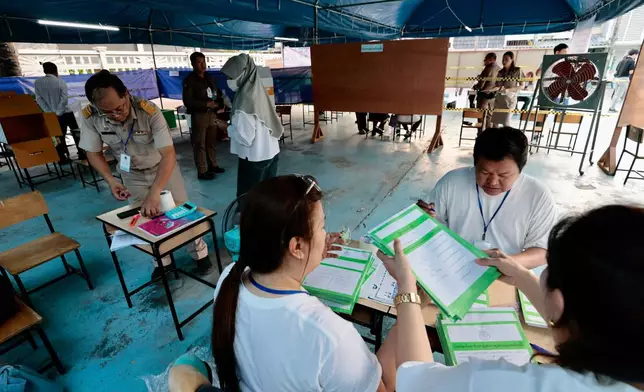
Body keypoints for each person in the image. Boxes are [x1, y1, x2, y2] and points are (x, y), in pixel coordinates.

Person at [381, 205, 644, 392]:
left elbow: (417, 379)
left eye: (548, 268)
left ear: (561, 301)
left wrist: (407, 289)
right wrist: (520, 274)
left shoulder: (502, 383)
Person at [209, 175, 399, 392]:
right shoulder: (330, 336)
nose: (325, 234)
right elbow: (383, 387)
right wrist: (408, 301)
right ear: (296, 246)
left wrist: (312, 254)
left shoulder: (229, 279)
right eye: (322, 227)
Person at [79, 70, 212, 278]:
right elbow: (92, 152)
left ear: (126, 94)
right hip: (130, 174)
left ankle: (199, 253)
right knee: (145, 219)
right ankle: (162, 261)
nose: (115, 114)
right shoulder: (90, 116)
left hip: (163, 169)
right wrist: (111, 180)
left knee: (181, 213)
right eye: (107, 112)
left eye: (119, 107)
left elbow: (168, 155)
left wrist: (155, 192)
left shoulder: (149, 112)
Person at [417, 127, 557, 268]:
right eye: (485, 172)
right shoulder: (451, 182)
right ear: (475, 163)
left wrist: (505, 263)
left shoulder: (537, 195)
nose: (493, 182)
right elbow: (430, 225)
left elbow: (542, 251)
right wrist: (424, 219)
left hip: (507, 273)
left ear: (520, 169)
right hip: (453, 266)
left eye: (503, 175)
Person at [221, 54, 281, 198]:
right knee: (267, 195)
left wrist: (226, 127)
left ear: (243, 74)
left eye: (231, 77)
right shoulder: (259, 92)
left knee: (248, 197)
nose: (228, 81)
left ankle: (247, 219)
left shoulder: (244, 101)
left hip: (255, 158)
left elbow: (245, 138)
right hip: (271, 153)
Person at [182, 52, 226, 180]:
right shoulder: (189, 81)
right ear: (193, 64)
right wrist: (205, 104)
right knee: (199, 143)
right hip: (199, 115)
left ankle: (213, 165)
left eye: (204, 61)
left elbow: (217, 93)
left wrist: (219, 103)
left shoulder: (209, 78)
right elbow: (188, 101)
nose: (203, 65)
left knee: (211, 142)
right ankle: (202, 170)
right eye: (199, 62)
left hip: (212, 114)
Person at [34, 62, 84, 162]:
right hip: (66, 112)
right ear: (56, 70)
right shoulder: (60, 81)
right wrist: (59, 111)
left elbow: (39, 99)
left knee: (58, 136)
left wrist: (50, 111)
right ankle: (82, 153)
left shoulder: (37, 82)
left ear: (44, 71)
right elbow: (64, 98)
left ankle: (63, 157)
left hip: (51, 114)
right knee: (76, 132)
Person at [492, 52, 522, 128]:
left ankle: (506, 139)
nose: (504, 61)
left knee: (506, 123)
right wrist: (494, 88)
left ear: (512, 60)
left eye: (506, 59)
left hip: (510, 100)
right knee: (495, 123)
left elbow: (522, 86)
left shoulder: (517, 71)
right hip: (499, 99)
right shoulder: (500, 72)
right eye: (503, 59)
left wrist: (509, 90)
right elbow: (497, 85)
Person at [473, 53, 500, 131]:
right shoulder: (499, 69)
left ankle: (481, 135)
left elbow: (481, 85)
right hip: (494, 96)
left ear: (491, 60)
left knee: (481, 117)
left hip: (483, 96)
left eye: (486, 59)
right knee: (489, 117)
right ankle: (489, 135)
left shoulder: (487, 69)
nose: (484, 61)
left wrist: (475, 86)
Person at [609, 49, 640, 113]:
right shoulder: (632, 61)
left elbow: (617, 69)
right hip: (623, 80)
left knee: (616, 94)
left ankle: (612, 106)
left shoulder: (622, 60)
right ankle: (612, 108)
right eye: (637, 55)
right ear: (634, 54)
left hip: (617, 79)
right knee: (618, 95)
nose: (636, 56)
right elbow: (631, 72)